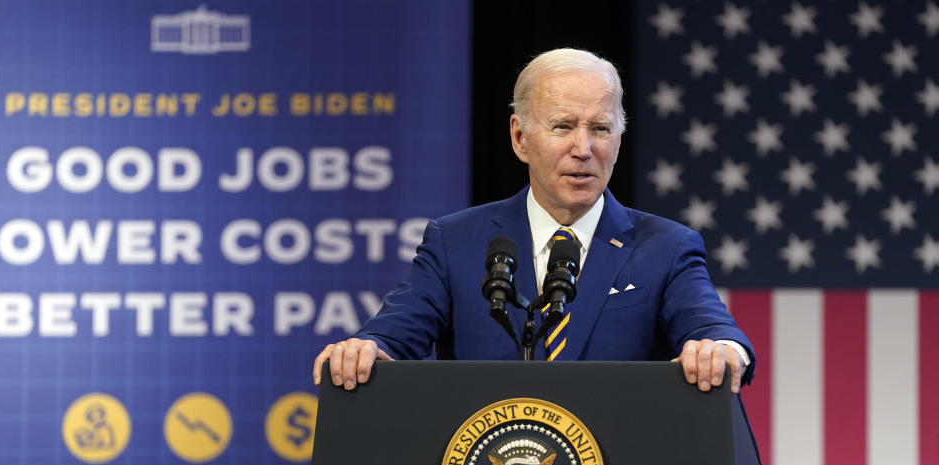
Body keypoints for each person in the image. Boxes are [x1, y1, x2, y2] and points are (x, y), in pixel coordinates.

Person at [314, 48, 754, 393]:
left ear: (618, 140)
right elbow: (393, 336)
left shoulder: (665, 246)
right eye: (563, 127)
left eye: (600, 129)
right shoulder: (456, 241)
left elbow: (716, 331)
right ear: (520, 138)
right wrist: (367, 350)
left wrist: (719, 350)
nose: (584, 148)